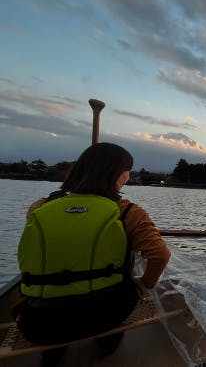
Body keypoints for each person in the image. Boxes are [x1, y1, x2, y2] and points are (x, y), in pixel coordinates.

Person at [13, 142, 171, 356]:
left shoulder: (39, 207)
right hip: (101, 317)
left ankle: (53, 356)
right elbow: (160, 255)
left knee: (53, 304)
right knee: (121, 289)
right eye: (127, 171)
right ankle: (106, 350)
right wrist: (144, 285)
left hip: (37, 324)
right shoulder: (128, 212)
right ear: (116, 175)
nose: (129, 176)